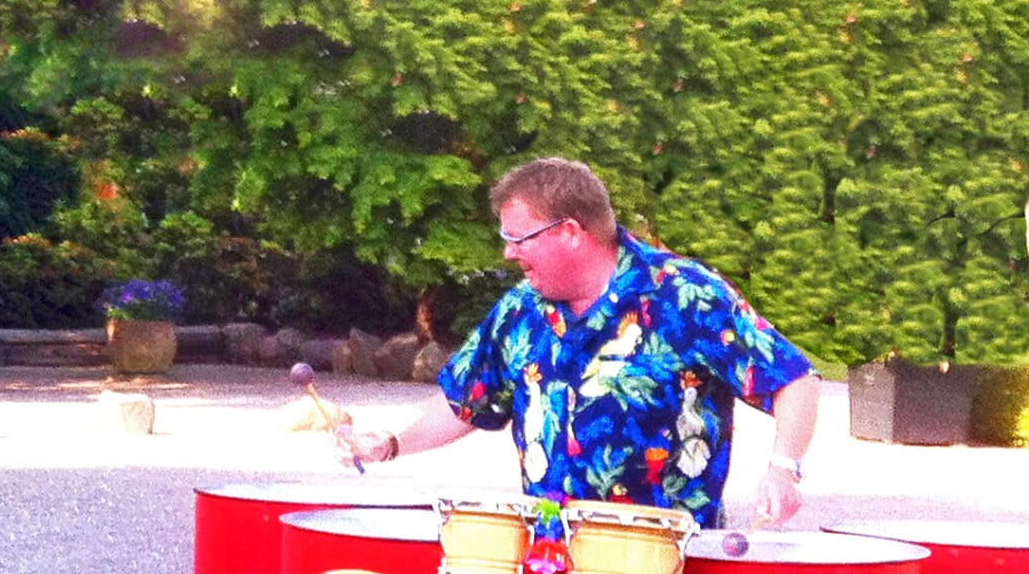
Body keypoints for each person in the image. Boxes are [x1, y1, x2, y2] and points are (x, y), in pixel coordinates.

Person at [346, 157, 819, 529]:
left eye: (519, 238)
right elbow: (466, 400)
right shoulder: (520, 310)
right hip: (550, 566)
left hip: (671, 567)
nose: (508, 252)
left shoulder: (684, 294)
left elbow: (794, 380)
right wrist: (391, 444)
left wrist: (783, 469)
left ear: (571, 232)